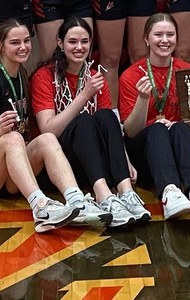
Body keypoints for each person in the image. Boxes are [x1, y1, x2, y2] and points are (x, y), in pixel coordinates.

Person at [0, 19, 113, 232]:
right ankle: (41, 207)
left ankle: (77, 201)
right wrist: (0, 130)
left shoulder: (21, 75)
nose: (23, 47)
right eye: (15, 42)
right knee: (12, 138)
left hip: (9, 176)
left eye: (27, 41)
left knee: (47, 138)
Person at [30, 17, 151, 227]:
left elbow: (111, 129)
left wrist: (125, 161)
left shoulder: (95, 76)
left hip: (92, 162)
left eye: (84, 41)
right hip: (60, 165)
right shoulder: (44, 76)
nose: (79, 47)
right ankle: (103, 196)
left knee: (107, 116)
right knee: (84, 120)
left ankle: (126, 193)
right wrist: (84, 96)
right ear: (60, 43)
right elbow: (48, 129)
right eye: (72, 41)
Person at [118, 13, 190, 219]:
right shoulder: (131, 75)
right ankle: (169, 193)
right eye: (158, 35)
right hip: (145, 157)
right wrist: (143, 99)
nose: (165, 40)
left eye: (170, 35)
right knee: (157, 129)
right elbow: (131, 131)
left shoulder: (188, 71)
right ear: (146, 39)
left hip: (177, 152)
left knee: (180, 127)